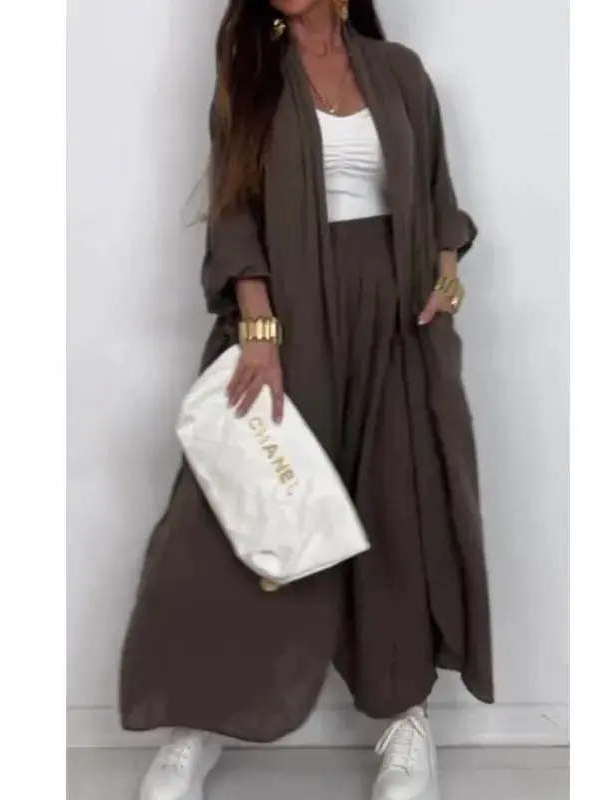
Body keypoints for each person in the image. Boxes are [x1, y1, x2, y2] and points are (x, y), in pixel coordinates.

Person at [120, 1, 494, 798]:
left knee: (395, 509)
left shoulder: (399, 72)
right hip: (288, 311)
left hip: (395, 317)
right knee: (239, 508)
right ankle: (198, 720)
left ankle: (405, 718)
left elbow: (436, 192)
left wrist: (446, 272)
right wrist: (258, 327)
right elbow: (234, 209)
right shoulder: (252, 74)